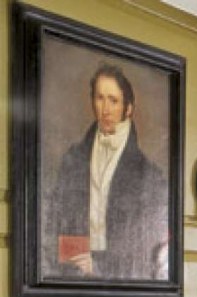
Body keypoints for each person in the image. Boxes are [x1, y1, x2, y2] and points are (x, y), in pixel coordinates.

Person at [44, 63, 168, 280]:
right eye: (100, 98)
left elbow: (143, 248)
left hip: (121, 278)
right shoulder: (73, 159)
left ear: (128, 108)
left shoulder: (149, 175)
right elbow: (55, 220)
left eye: (113, 100)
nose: (105, 109)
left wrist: (101, 267)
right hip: (71, 274)